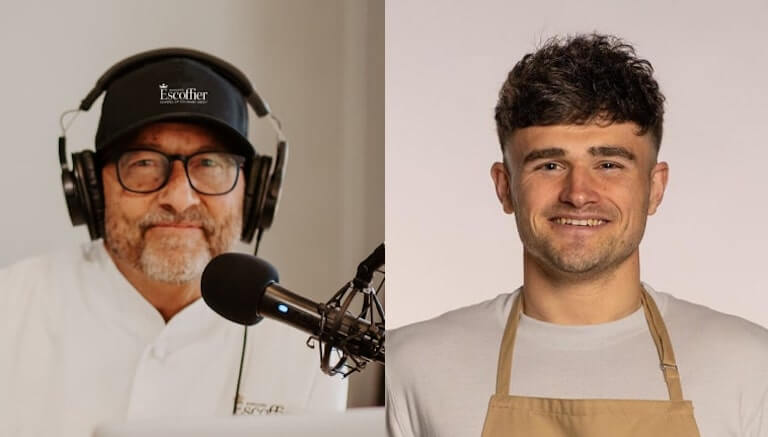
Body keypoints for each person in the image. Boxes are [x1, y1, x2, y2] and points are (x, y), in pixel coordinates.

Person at [386, 33, 768, 436]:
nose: (579, 194)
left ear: (655, 188)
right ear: (505, 187)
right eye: (549, 165)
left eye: (608, 165)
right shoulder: (411, 368)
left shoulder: (749, 368)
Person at [0, 50, 346, 437]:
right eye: (144, 163)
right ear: (91, 188)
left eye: (211, 164)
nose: (180, 199)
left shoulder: (308, 353)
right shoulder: (10, 311)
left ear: (256, 192)